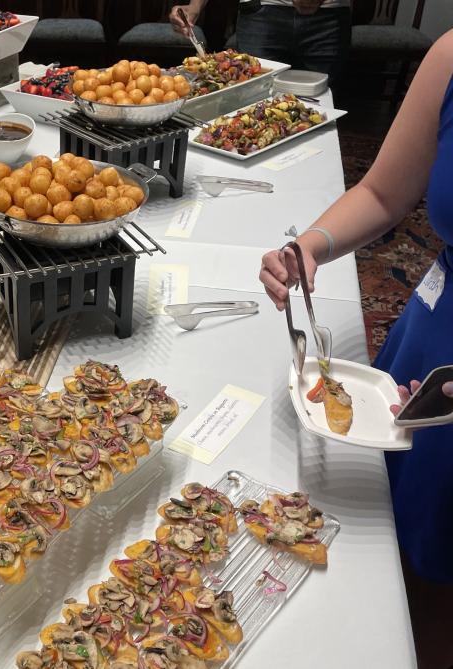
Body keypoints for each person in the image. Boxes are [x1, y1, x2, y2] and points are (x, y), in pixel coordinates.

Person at [259, 31, 453, 669]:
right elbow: (382, 194)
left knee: (437, 584)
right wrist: (311, 245)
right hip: (432, 344)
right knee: (381, 550)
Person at [170, 0, 351, 86]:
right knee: (251, 99)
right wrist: (194, 6)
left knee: (321, 104)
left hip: (329, 15)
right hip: (260, 13)